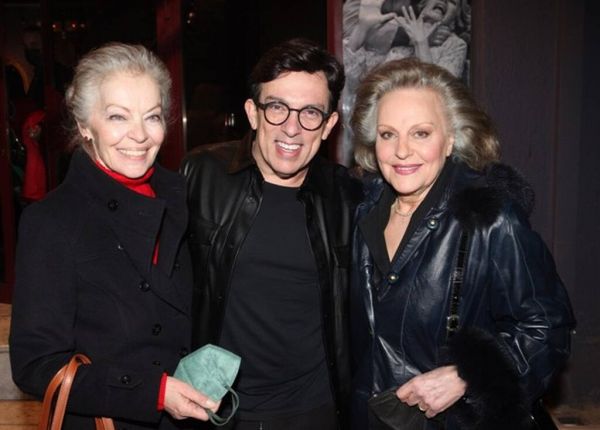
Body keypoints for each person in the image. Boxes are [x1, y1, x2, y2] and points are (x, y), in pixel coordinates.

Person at [348, 57, 575, 429]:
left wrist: (466, 376)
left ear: (450, 139)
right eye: (388, 134)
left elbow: (548, 329)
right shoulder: (361, 212)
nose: (402, 150)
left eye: (421, 133)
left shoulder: (489, 217)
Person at [9, 42, 219, 429]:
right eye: (118, 116)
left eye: (152, 116)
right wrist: (153, 392)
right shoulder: (52, 221)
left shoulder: (179, 198)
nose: (139, 135)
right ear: (85, 126)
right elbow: (35, 365)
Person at [181, 38, 361, 429]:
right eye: (277, 107)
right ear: (253, 112)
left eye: (310, 112)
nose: (292, 128)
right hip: (219, 410)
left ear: (329, 125)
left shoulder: (348, 196)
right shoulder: (200, 175)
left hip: (316, 413)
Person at [339, 0, 468, 165]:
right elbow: (353, 78)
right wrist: (362, 28)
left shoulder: (454, 45)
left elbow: (439, 96)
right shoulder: (398, 40)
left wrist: (421, 43)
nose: (442, 1)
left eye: (452, 1)